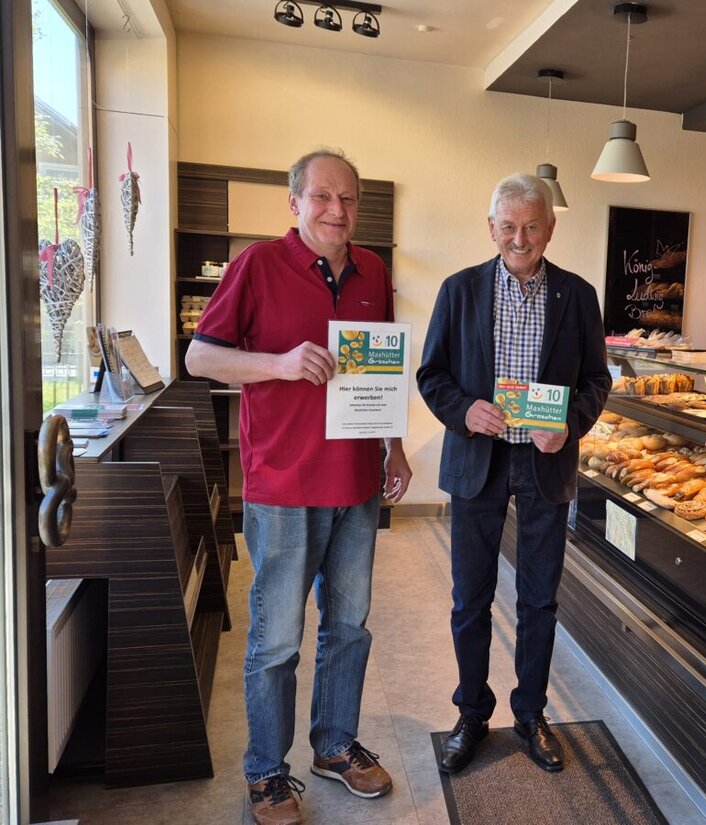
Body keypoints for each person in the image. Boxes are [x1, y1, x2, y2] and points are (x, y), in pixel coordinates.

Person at [186, 148, 412, 825]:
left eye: (348, 199)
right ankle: (265, 770)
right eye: (322, 197)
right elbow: (200, 356)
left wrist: (394, 447)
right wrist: (278, 364)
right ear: (295, 202)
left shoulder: (374, 269)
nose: (337, 210)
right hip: (281, 486)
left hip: (355, 484)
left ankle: (334, 745)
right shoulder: (256, 264)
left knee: (349, 628)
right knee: (277, 638)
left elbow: (381, 373)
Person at [417, 173, 610, 775]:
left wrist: (571, 424)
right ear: (491, 228)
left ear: (550, 228)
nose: (519, 238)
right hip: (480, 458)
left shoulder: (577, 296)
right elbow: (432, 375)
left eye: (531, 226)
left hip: (545, 462)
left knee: (539, 600)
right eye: (508, 227)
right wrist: (463, 409)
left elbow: (597, 380)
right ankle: (472, 712)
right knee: (470, 598)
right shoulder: (460, 290)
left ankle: (531, 713)